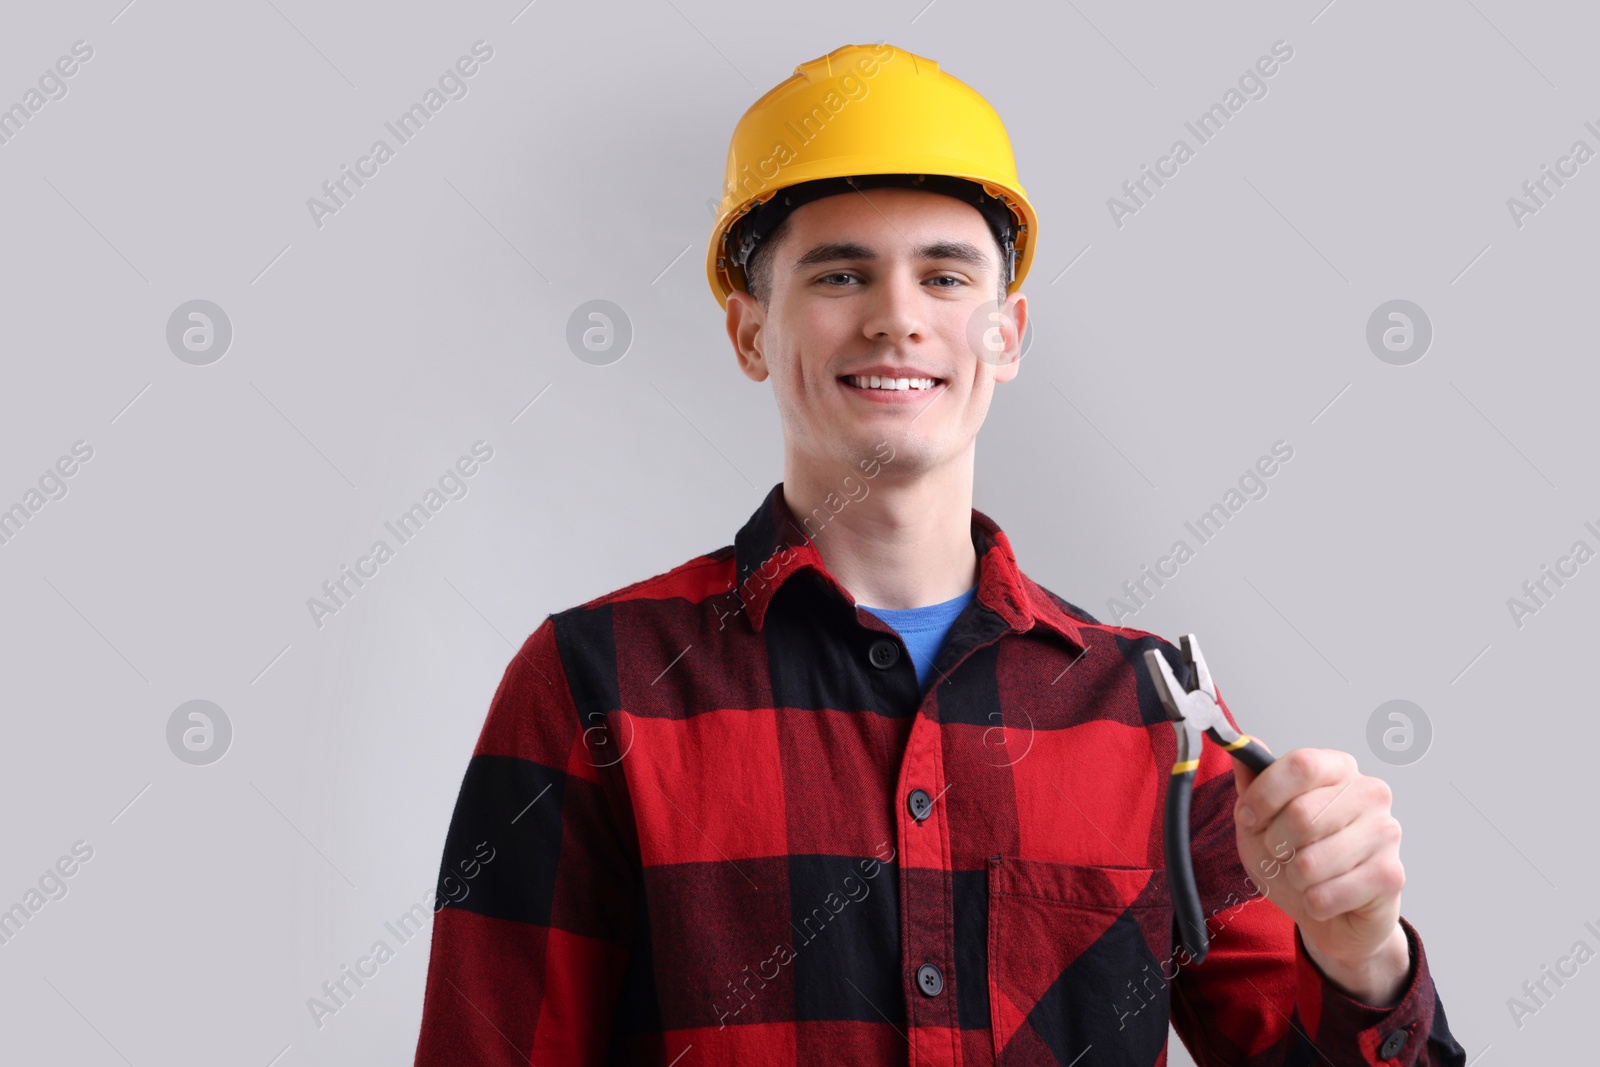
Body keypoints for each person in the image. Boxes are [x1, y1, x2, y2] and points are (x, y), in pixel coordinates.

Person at [412, 41, 1466, 1066]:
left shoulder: (1151, 709)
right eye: (839, 275)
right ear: (748, 333)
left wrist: (1360, 952)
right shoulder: (595, 685)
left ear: (1006, 335)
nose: (896, 319)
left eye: (945, 277)